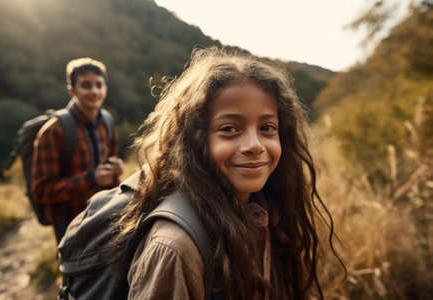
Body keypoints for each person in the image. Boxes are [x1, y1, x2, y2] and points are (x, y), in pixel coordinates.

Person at [115, 47, 343, 299]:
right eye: (229, 128)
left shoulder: (266, 208)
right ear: (195, 139)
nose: (255, 145)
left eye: (267, 127)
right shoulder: (177, 247)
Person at [32, 57, 124, 243]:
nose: (94, 91)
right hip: (70, 227)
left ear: (106, 89)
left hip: (104, 218)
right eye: (86, 85)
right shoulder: (54, 130)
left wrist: (115, 171)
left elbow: (109, 171)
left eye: (99, 85)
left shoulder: (107, 122)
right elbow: (42, 191)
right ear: (72, 90)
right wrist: (90, 178)